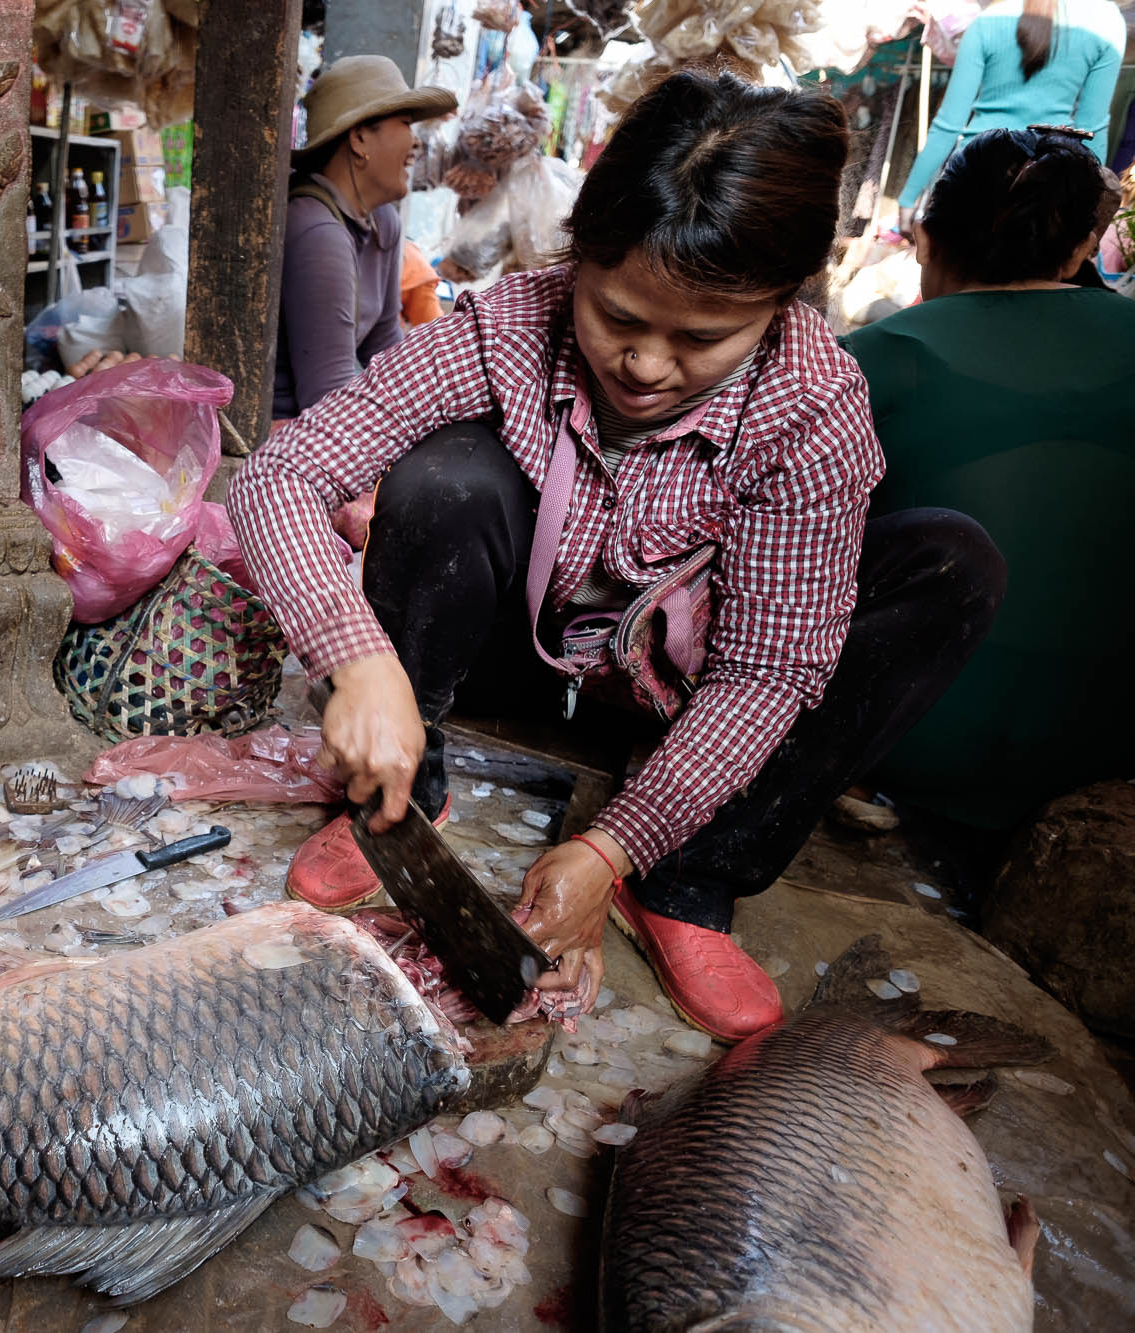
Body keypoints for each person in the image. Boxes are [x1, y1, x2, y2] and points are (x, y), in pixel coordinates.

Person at [230, 72, 1004, 1044]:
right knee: (444, 479)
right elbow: (278, 475)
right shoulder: (515, 321)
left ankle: (684, 879)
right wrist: (357, 660)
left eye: (699, 337)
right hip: (535, 641)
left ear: (778, 304)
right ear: (578, 257)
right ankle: (401, 787)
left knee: (948, 564)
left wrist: (613, 849)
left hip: (695, 679)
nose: (642, 365)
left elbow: (765, 674)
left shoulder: (811, 405)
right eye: (617, 317)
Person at [846, 127, 1135, 833]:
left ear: (927, 238)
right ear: (1076, 251)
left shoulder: (883, 352)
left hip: (900, 744)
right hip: (1098, 758)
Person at [272, 55, 456, 419]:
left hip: (331, 421)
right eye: (405, 123)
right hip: (287, 440)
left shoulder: (382, 221)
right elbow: (328, 395)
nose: (415, 144)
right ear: (358, 138)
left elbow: (384, 344)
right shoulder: (317, 231)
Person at [895, 0, 1126, 232]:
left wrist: (908, 199)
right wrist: (1089, 210)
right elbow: (1092, 128)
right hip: (1046, 187)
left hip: (971, 178)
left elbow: (948, 124)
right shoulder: (1105, 20)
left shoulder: (988, 20)